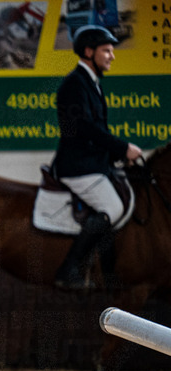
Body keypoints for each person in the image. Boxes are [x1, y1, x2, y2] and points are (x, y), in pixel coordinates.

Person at [51, 24, 144, 291]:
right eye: (106, 50)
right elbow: (85, 129)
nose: (112, 56)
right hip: (77, 167)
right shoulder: (74, 84)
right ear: (89, 51)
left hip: (92, 164)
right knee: (113, 208)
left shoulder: (91, 83)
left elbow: (96, 132)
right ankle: (69, 268)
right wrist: (122, 147)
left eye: (112, 50)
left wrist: (116, 156)